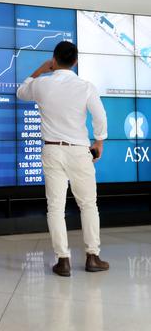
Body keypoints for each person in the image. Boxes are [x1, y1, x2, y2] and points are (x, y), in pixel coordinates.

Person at [16, 40, 109, 277]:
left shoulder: (42, 85)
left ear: (54, 60)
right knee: (88, 204)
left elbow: (21, 92)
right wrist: (99, 141)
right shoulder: (85, 86)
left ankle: (63, 260)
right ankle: (92, 257)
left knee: (55, 208)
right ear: (75, 62)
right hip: (79, 152)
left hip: (52, 150)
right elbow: (100, 115)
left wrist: (40, 70)